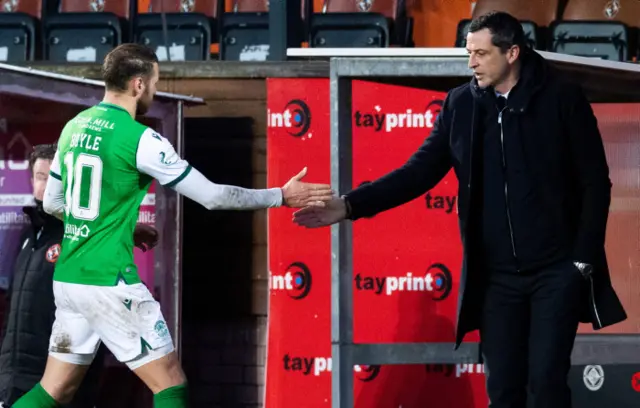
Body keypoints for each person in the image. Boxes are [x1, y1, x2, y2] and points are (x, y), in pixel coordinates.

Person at [293, 11, 627, 408]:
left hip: (556, 272)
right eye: (469, 52)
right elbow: (418, 173)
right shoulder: (461, 105)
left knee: (547, 386)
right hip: (497, 279)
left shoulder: (562, 98)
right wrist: (349, 205)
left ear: (512, 53)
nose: (470, 63)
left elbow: (595, 183)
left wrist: (581, 262)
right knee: (503, 389)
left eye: (481, 54)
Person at [12, 43, 333, 408]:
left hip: (71, 280)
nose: (152, 90)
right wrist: (280, 195)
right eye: (153, 82)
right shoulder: (140, 139)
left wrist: (122, 228)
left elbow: (53, 202)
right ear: (137, 84)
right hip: (109, 281)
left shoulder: (73, 128)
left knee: (54, 391)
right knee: (171, 385)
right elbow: (212, 196)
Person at [0, 144, 105, 408]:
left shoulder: (79, 237)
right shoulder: (25, 237)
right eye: (40, 177)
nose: (46, 185)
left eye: (54, 177)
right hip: (12, 378)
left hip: (52, 380)